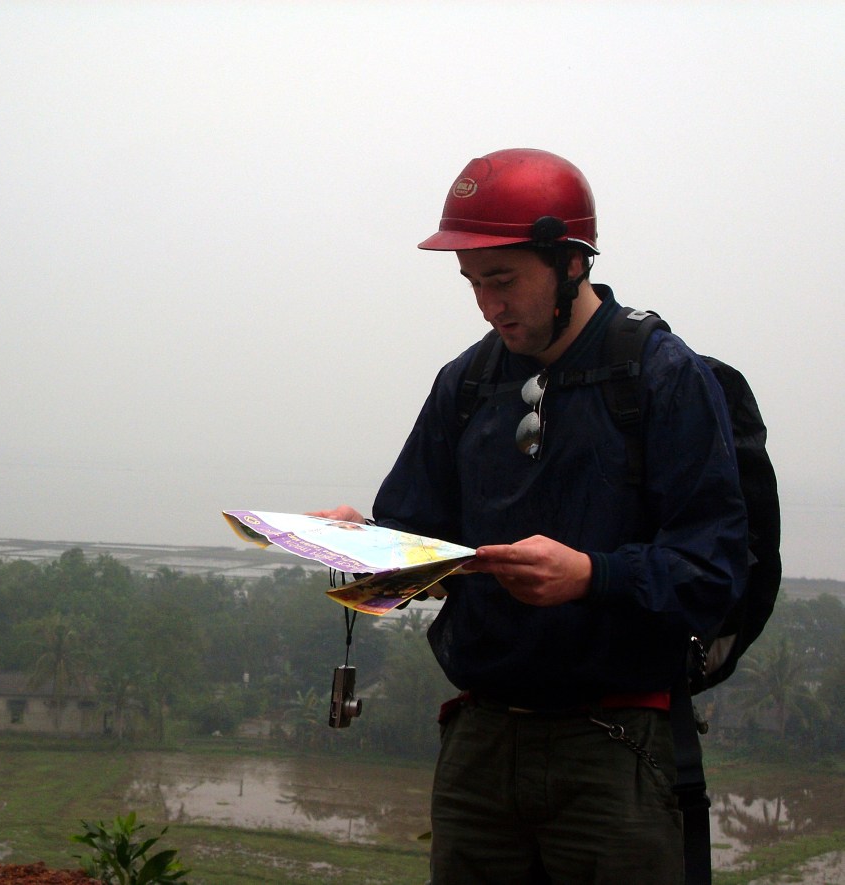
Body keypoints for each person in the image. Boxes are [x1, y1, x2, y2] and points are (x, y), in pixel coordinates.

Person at [311, 148, 747, 884]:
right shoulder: (468, 382)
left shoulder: (662, 376)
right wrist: (367, 546)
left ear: (571, 262)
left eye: (504, 279)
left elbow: (714, 570)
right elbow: (425, 549)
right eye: (473, 283)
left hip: (614, 742)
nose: (489, 305)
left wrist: (592, 575)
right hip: (482, 739)